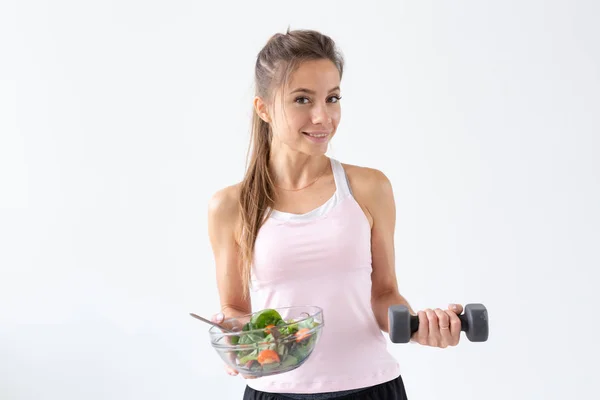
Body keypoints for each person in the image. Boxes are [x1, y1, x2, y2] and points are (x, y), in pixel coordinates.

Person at [208, 28, 464, 400]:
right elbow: (234, 307)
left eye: (332, 98)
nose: (322, 116)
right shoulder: (230, 206)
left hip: (370, 387)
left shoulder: (369, 188)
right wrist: (235, 335)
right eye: (301, 100)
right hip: (274, 390)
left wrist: (418, 326)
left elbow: (385, 293)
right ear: (263, 108)